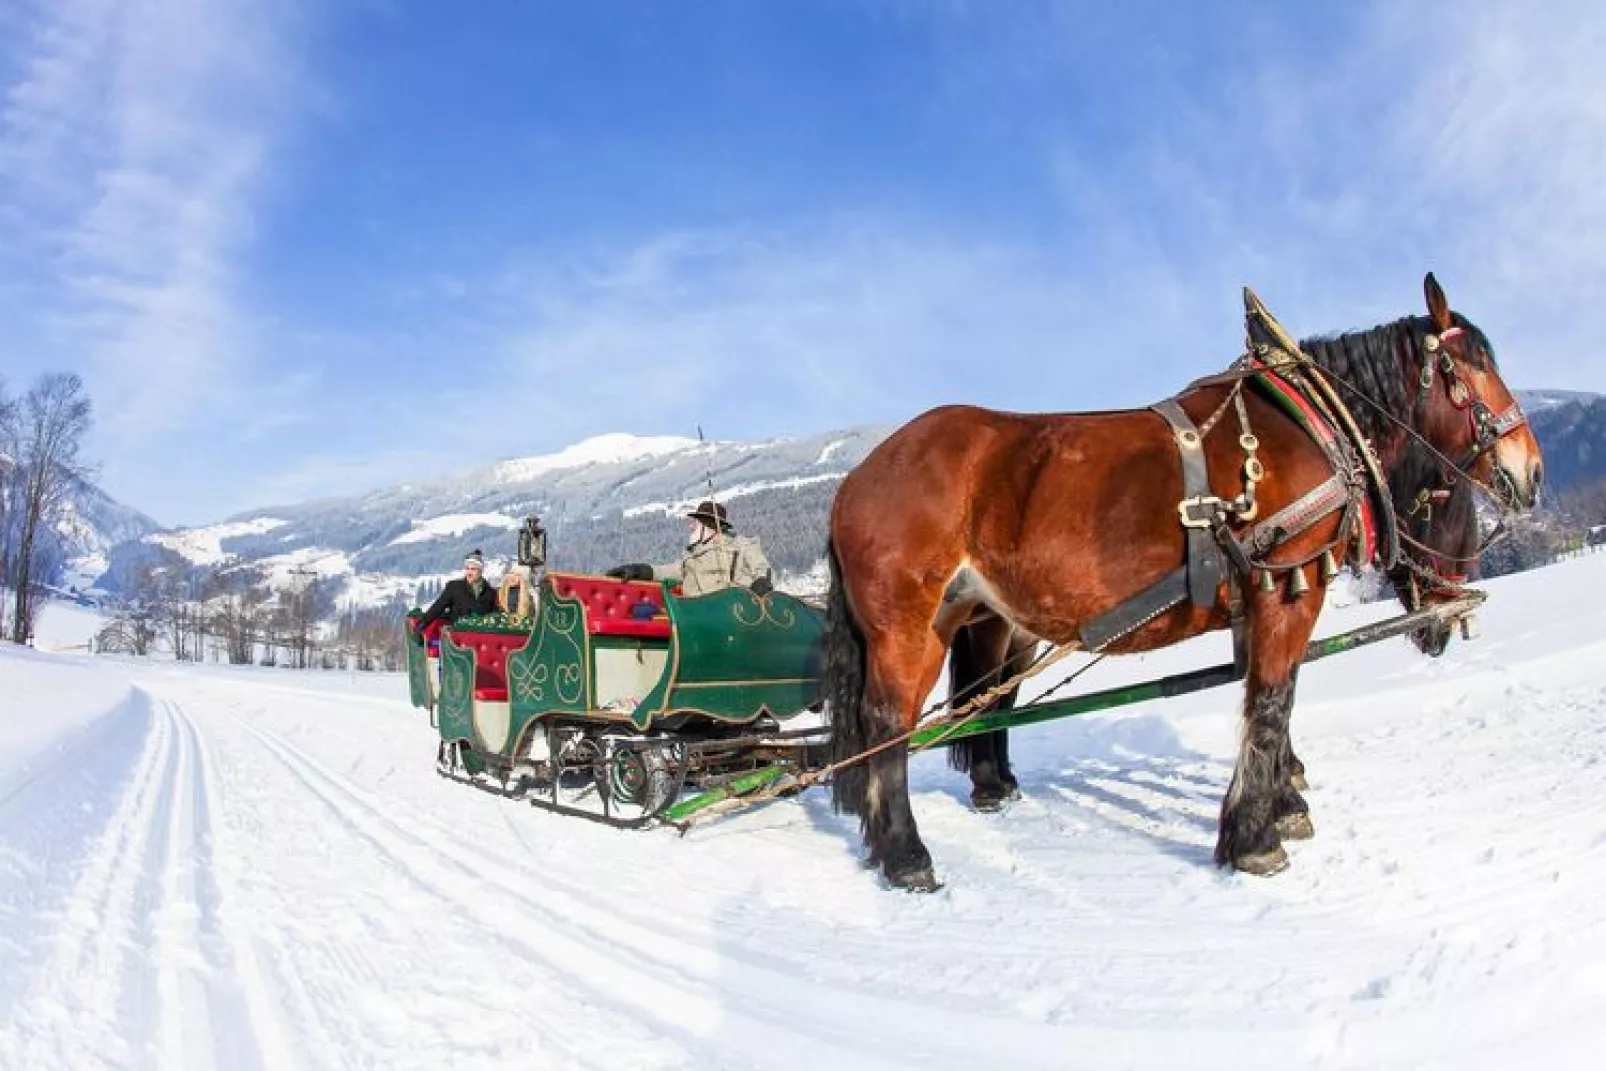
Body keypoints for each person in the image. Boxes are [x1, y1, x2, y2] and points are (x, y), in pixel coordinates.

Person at [608, 500, 774, 597]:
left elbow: (762, 569)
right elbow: (670, 570)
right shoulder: (691, 557)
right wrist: (641, 570)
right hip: (693, 613)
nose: (690, 527)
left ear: (709, 526)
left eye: (695, 523)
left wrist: (760, 583)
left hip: (728, 613)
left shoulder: (740, 546)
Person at [415, 550, 500, 636]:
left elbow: (495, 616)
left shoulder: (490, 593)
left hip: (480, 636)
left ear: (481, 571)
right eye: (467, 568)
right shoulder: (454, 587)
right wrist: (422, 624)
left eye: (473, 569)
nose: (469, 572)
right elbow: (438, 607)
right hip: (457, 636)